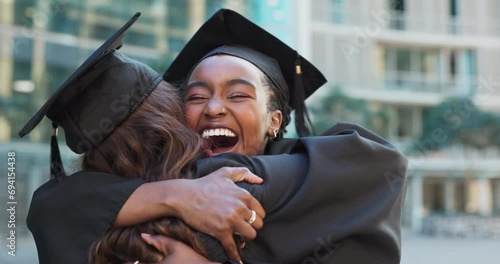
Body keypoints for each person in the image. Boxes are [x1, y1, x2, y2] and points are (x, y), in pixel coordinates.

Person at [21, 10, 408, 264]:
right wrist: (178, 194)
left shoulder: (270, 174)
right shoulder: (196, 182)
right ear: (174, 117)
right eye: (195, 96)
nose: (213, 108)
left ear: (275, 120)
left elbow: (51, 207)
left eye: (238, 94)